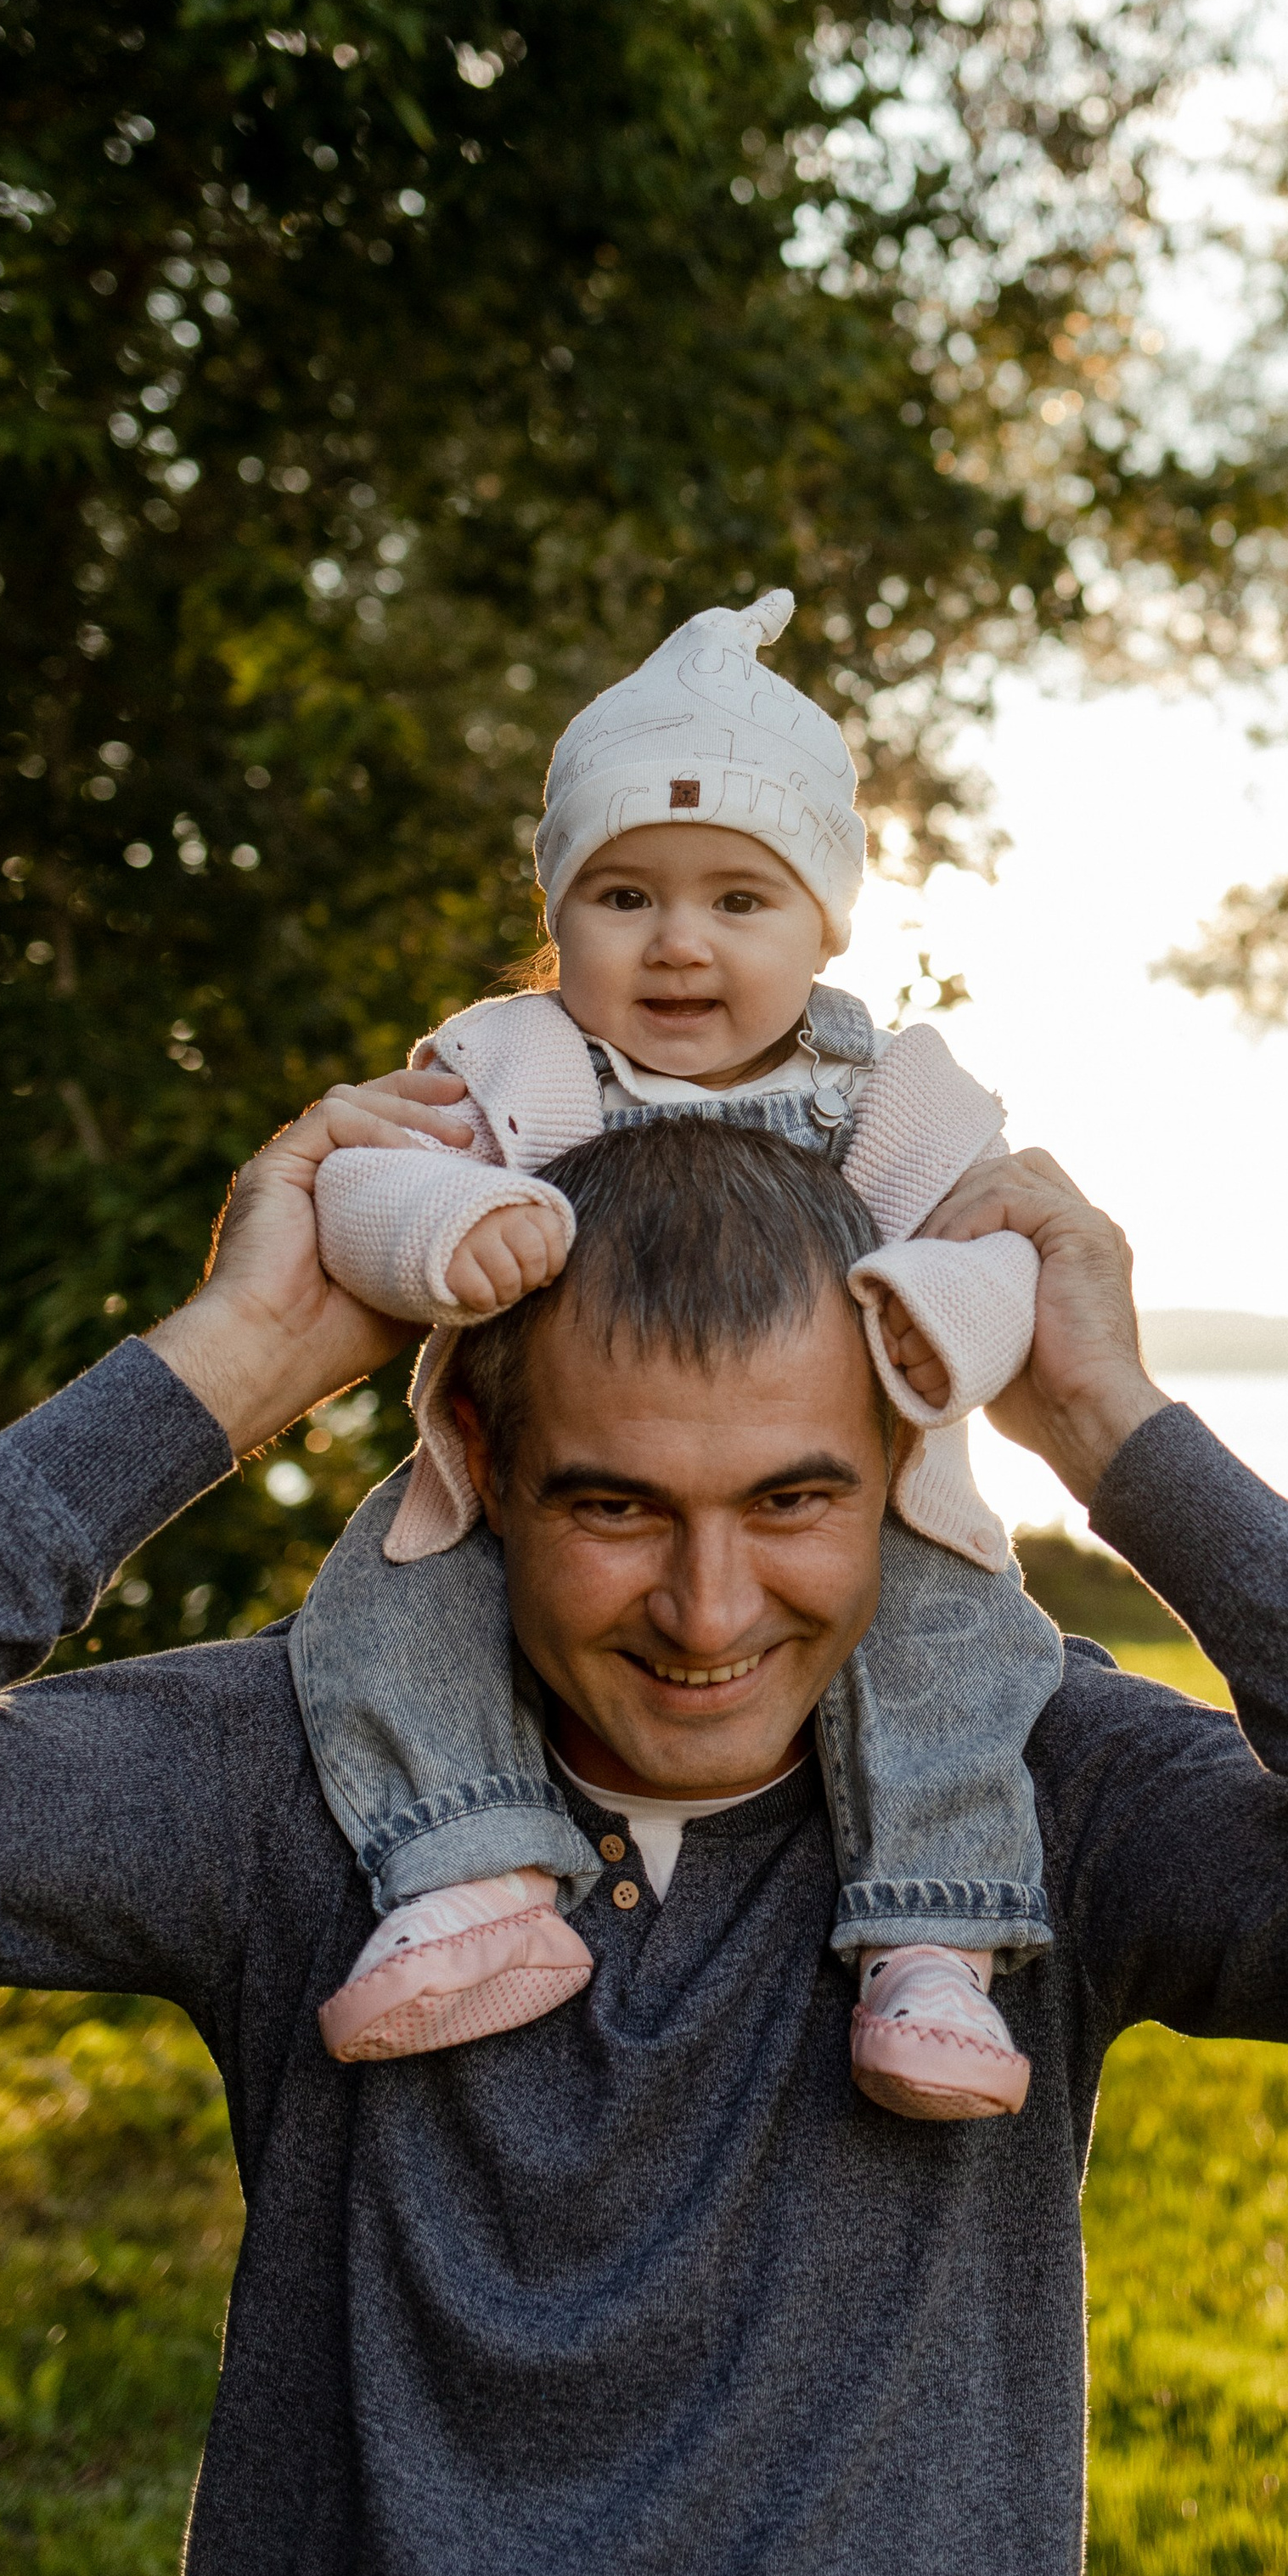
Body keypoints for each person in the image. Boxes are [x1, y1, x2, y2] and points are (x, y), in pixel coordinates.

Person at [0, 1097, 1288, 2576]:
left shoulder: (1038, 1784)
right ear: (479, 1459)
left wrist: (1116, 1436)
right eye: (617, 1505)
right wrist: (223, 1370)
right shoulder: (292, 1777)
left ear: (909, 1467)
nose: (708, 1614)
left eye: (791, 1500)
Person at [301, 585, 1060, 2113]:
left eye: (740, 899)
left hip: (867, 1475)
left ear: (827, 919)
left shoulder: (882, 1093)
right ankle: (471, 1870)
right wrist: (444, 1226)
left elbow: (994, 1246)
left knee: (958, 1645)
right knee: (384, 1606)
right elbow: (365, 1177)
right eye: (625, 897)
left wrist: (941, 1322)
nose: (679, 946)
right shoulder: (517, 1063)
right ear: (558, 917)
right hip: (512, 1468)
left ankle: (931, 1942)